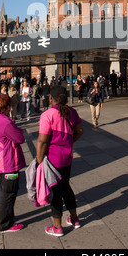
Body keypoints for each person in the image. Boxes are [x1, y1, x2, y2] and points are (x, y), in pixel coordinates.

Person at [36, 86, 83, 237]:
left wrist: (39, 160)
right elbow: (80, 130)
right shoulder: (72, 112)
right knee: (66, 187)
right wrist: (70, 142)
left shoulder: (47, 115)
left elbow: (42, 141)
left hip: (52, 159)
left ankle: (57, 227)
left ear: (51, 98)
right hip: (67, 157)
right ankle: (75, 219)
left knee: (55, 191)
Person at [0, 94, 26, 233]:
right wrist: (19, 130)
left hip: (1, 161)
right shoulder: (6, 122)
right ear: (7, 106)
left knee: (5, 191)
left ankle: (7, 218)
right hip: (9, 163)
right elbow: (20, 138)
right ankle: (6, 224)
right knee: (9, 192)